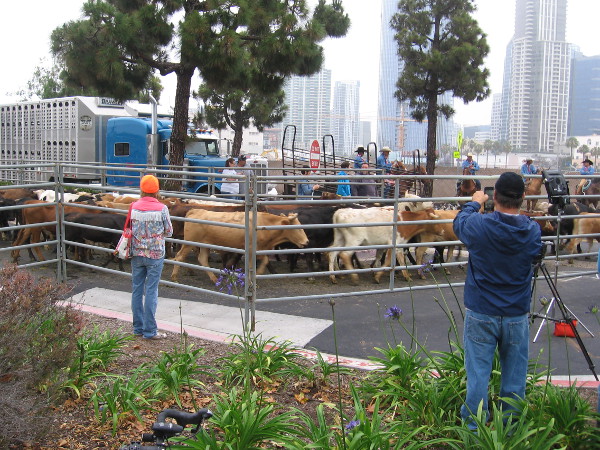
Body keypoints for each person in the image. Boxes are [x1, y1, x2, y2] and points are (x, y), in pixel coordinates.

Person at [453, 172, 542, 430]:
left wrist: (474, 202)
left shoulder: (479, 226)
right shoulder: (531, 230)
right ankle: (510, 429)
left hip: (481, 311)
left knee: (478, 375)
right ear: (523, 198)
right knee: (514, 376)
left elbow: (460, 223)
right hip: (516, 314)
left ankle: (474, 428)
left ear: (495, 197)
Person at [129, 175, 173, 340]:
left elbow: (129, 227)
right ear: (156, 190)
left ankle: (137, 328)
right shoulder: (162, 208)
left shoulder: (133, 206)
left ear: (141, 189)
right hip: (155, 255)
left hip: (136, 253)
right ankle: (150, 331)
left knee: (137, 289)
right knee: (151, 291)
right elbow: (169, 231)